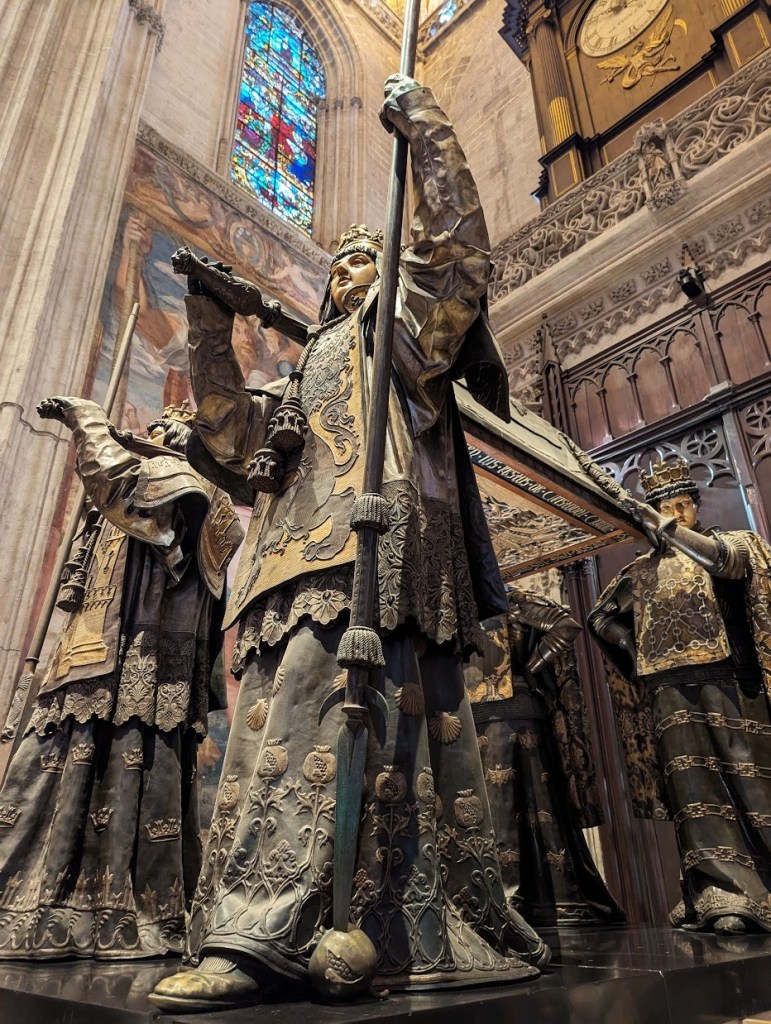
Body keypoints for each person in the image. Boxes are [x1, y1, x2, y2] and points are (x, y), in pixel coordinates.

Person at [151, 73, 548, 1011]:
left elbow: (455, 262)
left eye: (363, 262)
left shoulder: (398, 338)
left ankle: (269, 938)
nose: (346, 275)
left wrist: (428, 129)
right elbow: (233, 440)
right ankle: (286, 925)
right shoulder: (306, 367)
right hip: (291, 555)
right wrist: (209, 322)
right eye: (338, 268)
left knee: (347, 721)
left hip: (374, 543)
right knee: (270, 733)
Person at [0, 398, 243, 959]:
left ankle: (111, 906)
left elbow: (122, 492)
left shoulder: (185, 484)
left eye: (168, 427)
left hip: (141, 654)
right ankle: (36, 901)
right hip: (93, 649)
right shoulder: (149, 480)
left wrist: (86, 417)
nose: (154, 431)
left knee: (127, 757)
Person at [589, 456, 771, 935]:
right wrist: (635, 645)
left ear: (695, 507)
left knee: (747, 781)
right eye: (666, 508)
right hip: (667, 687)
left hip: (729, 678)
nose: (675, 514)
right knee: (691, 791)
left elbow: (724, 562)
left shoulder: (733, 542)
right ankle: (715, 892)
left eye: (682, 505)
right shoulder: (639, 571)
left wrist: (662, 526)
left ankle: (763, 889)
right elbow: (600, 618)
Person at [468, 584, 625, 927]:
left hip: (516, 709)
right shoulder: (458, 604)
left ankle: (532, 900)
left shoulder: (511, 598)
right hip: (470, 715)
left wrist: (532, 666)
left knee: (526, 800)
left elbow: (565, 626)